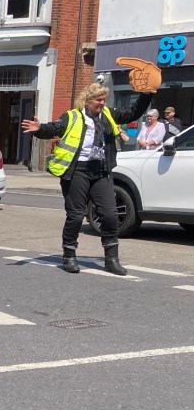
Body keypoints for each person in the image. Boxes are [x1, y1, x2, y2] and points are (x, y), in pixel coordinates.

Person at [22, 81, 155, 276]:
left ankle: (112, 259)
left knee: (110, 215)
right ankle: (69, 256)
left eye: (104, 99)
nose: (102, 103)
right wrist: (40, 129)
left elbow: (132, 113)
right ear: (86, 101)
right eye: (98, 100)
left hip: (101, 170)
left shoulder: (108, 114)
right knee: (76, 215)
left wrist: (147, 94)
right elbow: (54, 128)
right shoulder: (72, 116)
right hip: (77, 171)